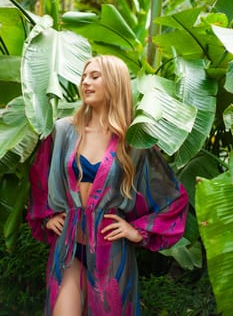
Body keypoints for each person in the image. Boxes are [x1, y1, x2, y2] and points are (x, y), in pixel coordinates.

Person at [27, 55, 189, 316]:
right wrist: (47, 216)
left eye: (94, 76)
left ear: (114, 83)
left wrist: (136, 230)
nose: (85, 82)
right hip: (69, 246)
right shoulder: (63, 131)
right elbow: (39, 177)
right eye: (83, 76)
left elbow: (172, 197)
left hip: (110, 250)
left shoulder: (133, 141)